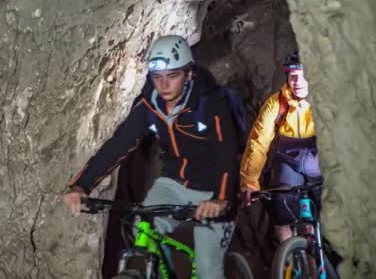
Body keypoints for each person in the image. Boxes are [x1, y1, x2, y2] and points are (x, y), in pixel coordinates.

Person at [64, 35, 240, 279]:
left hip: (214, 190)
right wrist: (82, 186)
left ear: (188, 73)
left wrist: (221, 199)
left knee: (207, 268)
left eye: (172, 75)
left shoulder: (210, 104)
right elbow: (117, 145)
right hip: (173, 184)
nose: (164, 85)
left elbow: (227, 154)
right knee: (141, 232)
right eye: (157, 77)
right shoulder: (150, 106)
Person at [240, 51, 322, 242]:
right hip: (288, 162)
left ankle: (322, 256)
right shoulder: (276, 104)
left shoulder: (324, 99)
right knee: (280, 206)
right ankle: (291, 259)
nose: (298, 82)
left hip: (319, 160)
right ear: (287, 77)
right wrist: (250, 181)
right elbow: (259, 142)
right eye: (293, 76)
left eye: (304, 76)